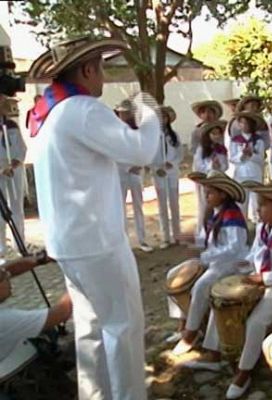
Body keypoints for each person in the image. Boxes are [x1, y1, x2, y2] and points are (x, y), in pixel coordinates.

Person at [28, 36, 160, 399]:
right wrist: (148, 108)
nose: (103, 75)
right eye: (101, 67)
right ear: (87, 70)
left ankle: (95, 395)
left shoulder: (51, 111)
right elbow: (143, 150)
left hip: (69, 242)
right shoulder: (83, 108)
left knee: (90, 325)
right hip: (97, 241)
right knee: (123, 326)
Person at [215, 182, 272, 398]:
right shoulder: (262, 228)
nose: (258, 209)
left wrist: (265, 278)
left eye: (263, 205)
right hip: (261, 279)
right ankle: (218, 349)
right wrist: (245, 266)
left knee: (256, 321)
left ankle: (244, 371)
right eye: (259, 204)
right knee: (220, 300)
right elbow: (256, 253)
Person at [169, 171, 250, 354]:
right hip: (215, 259)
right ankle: (183, 323)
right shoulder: (215, 213)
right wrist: (191, 240)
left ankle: (191, 334)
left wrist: (205, 257)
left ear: (223, 194)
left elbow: (234, 248)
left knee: (201, 285)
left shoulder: (232, 215)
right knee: (173, 275)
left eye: (210, 193)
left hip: (233, 263)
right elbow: (208, 240)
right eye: (205, 193)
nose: (206, 197)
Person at [0, 253, 72, 364]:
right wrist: (81, 277)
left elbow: (7, 271)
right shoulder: (5, 320)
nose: (8, 275)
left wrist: (41, 258)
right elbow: (62, 312)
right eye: (3, 276)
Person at [115, 99, 153, 252]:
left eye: (127, 112)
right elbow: (114, 153)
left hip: (136, 172)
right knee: (121, 207)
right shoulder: (115, 131)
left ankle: (142, 239)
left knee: (138, 206)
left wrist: (140, 164)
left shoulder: (138, 130)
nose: (125, 115)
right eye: (122, 112)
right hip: (121, 172)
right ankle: (124, 242)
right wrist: (127, 167)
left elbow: (143, 150)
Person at [193, 120, 229, 241]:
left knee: (218, 206)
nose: (216, 136)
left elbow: (226, 165)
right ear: (208, 135)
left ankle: (217, 232)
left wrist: (219, 166)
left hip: (218, 181)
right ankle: (202, 233)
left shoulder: (221, 149)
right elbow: (198, 166)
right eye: (213, 133)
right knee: (204, 207)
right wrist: (210, 166)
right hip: (206, 181)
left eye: (218, 133)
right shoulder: (201, 149)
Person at [0, 96, 27, 261]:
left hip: (13, 169)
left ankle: (20, 244)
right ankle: (1, 248)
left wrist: (13, 165)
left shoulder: (11, 126)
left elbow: (20, 149)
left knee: (16, 207)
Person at [152, 105, 183, 249]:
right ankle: (165, 237)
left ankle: (177, 235)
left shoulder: (174, 135)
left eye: (164, 117)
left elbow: (179, 154)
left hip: (171, 172)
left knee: (174, 204)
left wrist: (172, 164)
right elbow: (149, 155)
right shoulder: (151, 135)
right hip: (159, 173)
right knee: (162, 205)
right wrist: (156, 168)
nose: (161, 119)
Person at [229, 111, 267, 223]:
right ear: (239, 124)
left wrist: (251, 155)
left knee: (257, 203)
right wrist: (242, 155)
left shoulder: (258, 140)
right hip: (240, 174)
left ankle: (258, 227)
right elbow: (232, 158)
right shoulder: (235, 140)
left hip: (255, 173)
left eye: (247, 123)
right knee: (241, 202)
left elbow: (261, 159)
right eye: (242, 123)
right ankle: (243, 226)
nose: (245, 126)